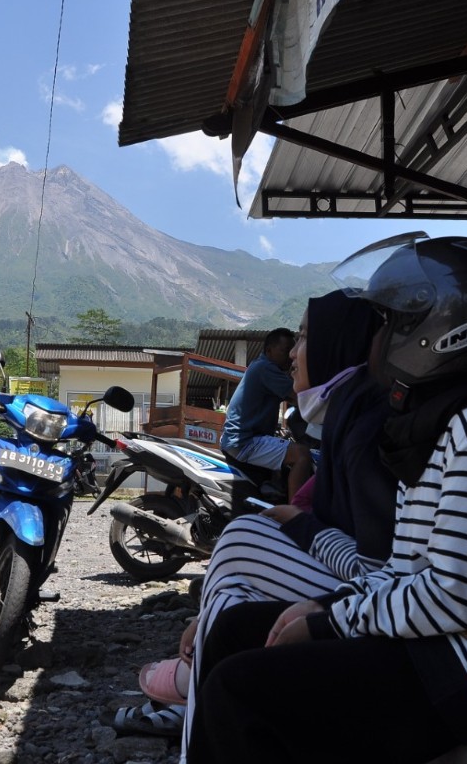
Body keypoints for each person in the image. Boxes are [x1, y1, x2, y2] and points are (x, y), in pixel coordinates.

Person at [184, 232, 467, 764]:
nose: (380, 337)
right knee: (235, 631)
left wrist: (329, 621)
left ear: (446, 329)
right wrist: (324, 605)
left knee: (240, 692)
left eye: (392, 322)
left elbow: (451, 594)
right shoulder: (436, 424)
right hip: (454, 647)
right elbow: (404, 570)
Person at [114, 290, 397, 738]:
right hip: (246, 447)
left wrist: (299, 525)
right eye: (293, 341)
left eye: (305, 338)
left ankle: (191, 689)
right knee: (244, 550)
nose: (294, 354)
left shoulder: (365, 428)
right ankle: (197, 693)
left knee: (243, 538)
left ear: (336, 345)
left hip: (375, 596)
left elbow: (379, 570)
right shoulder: (341, 416)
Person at [219, 327, 311, 503]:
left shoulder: (261, 367)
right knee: (302, 455)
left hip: (240, 439)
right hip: (245, 441)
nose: (290, 355)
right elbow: (299, 397)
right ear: (269, 350)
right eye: (285, 350)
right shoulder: (266, 369)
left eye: (293, 350)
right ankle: (296, 511)